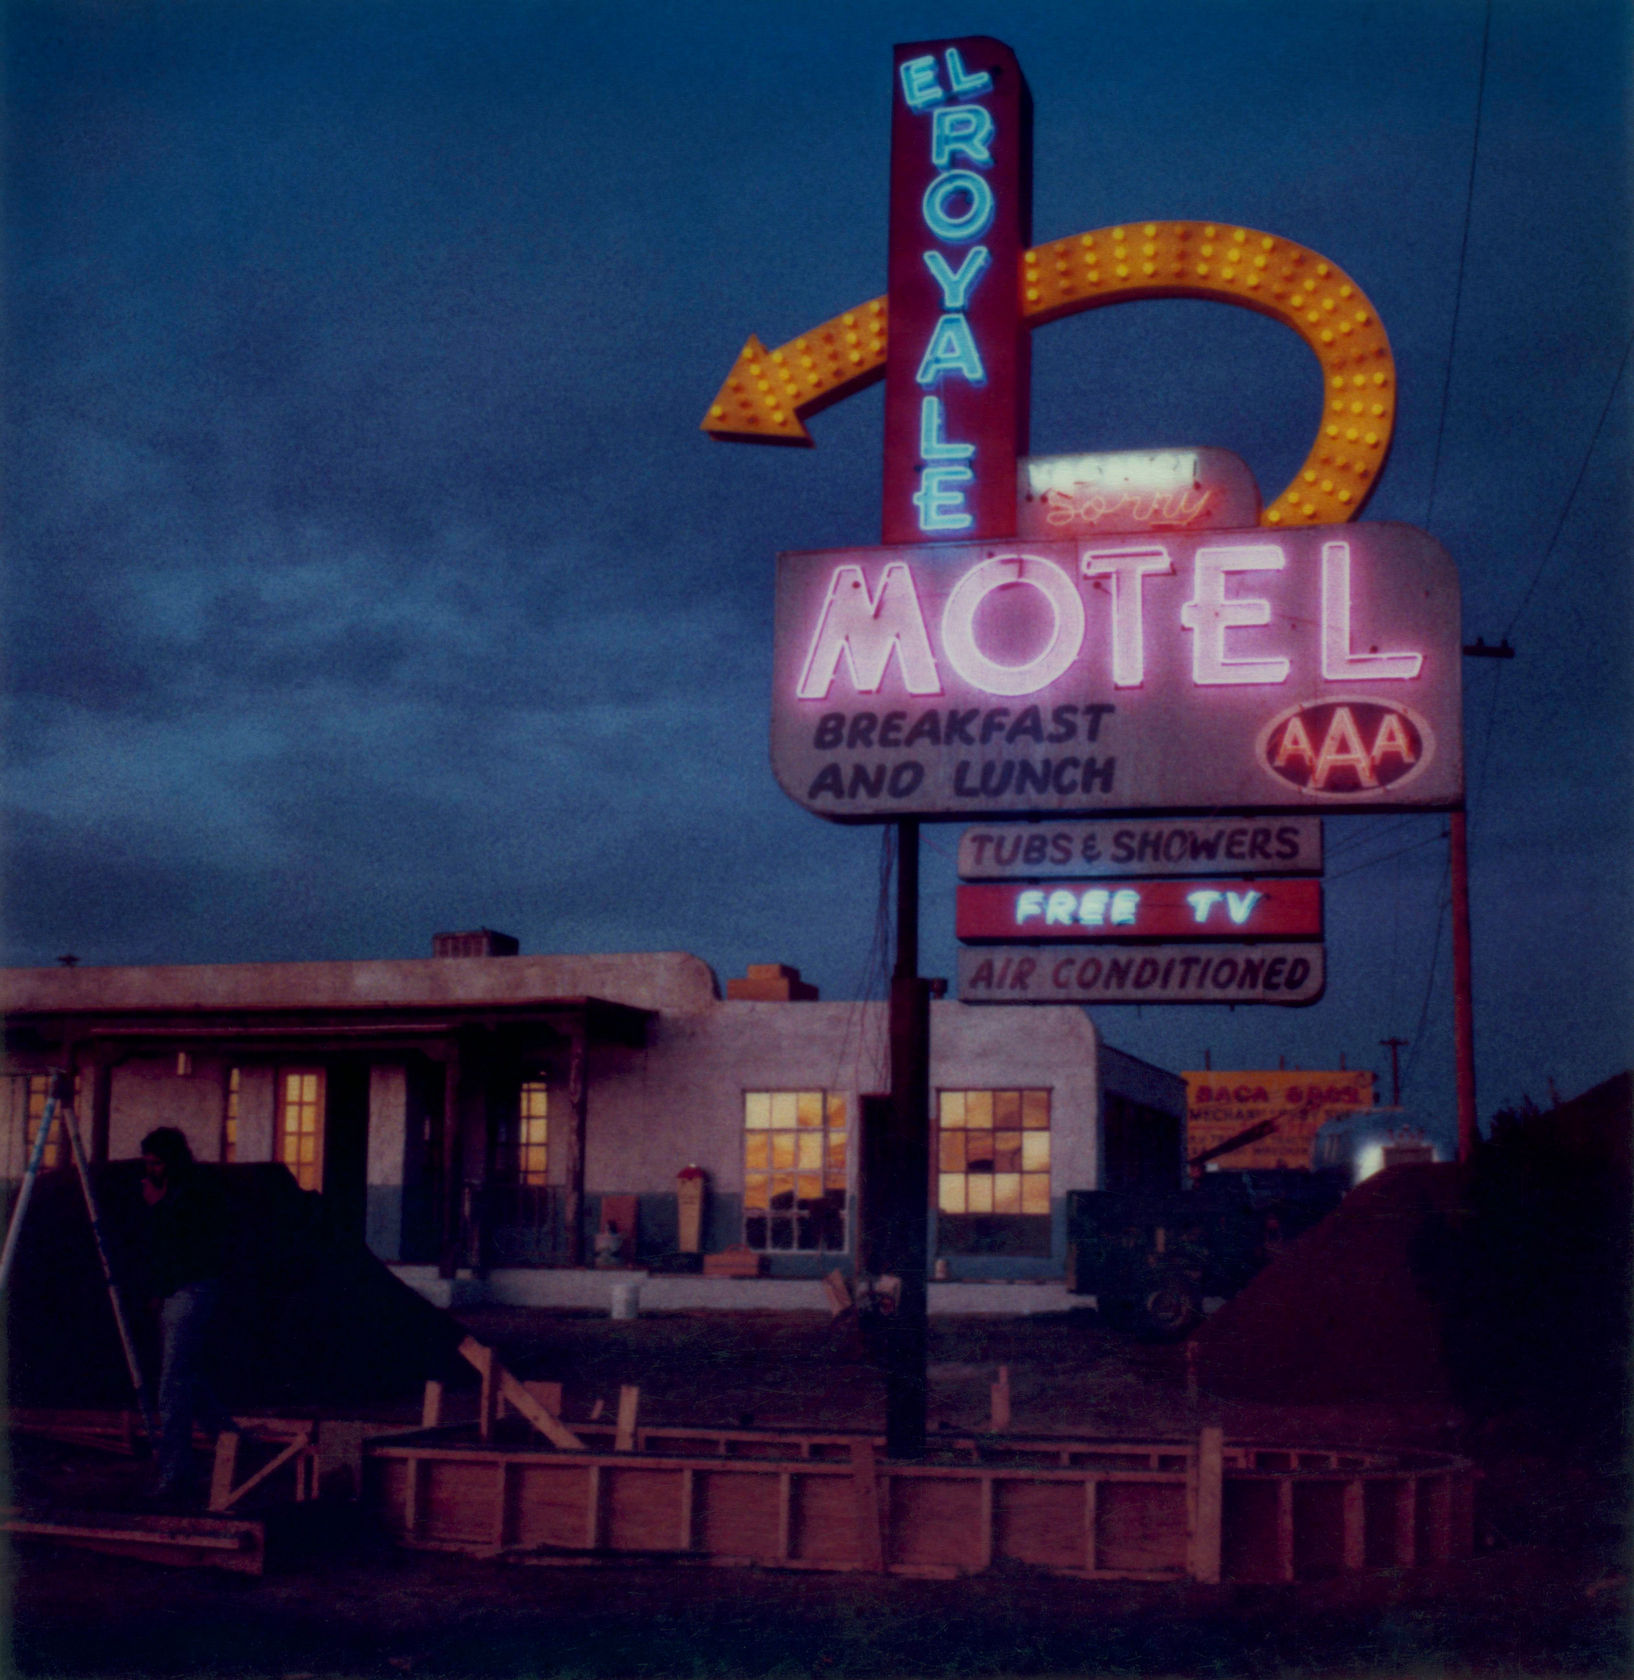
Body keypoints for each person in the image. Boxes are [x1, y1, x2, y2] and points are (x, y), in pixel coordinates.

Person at [139, 1126, 234, 1499]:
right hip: (174, 1292)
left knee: (173, 1383)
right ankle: (234, 1443)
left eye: (158, 1162)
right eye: (148, 1163)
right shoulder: (168, 1192)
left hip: (193, 1289)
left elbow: (182, 1244)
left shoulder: (195, 1193)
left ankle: (177, 1471)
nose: (152, 1170)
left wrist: (157, 1208)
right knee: (187, 1379)